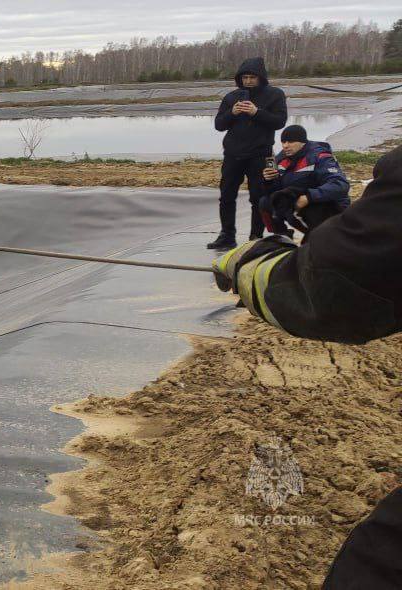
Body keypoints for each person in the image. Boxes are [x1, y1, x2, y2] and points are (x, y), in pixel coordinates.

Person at [213, 145, 402, 589]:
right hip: (315, 227)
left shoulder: (322, 160)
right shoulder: (277, 159)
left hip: (324, 225)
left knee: (375, 568)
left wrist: (253, 266)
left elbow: (340, 285)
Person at [209, 57, 288, 250]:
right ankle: (227, 235)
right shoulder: (231, 97)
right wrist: (232, 113)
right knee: (226, 196)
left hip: (261, 155)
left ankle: (256, 236)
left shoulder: (275, 95)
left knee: (258, 197)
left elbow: (280, 121)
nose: (248, 81)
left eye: (252, 77)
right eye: (245, 77)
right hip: (233, 155)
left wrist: (256, 112)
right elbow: (219, 125)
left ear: (261, 77)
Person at [257, 125, 349, 238]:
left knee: (318, 238)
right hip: (301, 202)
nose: (285, 146)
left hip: (328, 206)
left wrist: (309, 197)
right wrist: (269, 181)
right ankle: (282, 235)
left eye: (290, 142)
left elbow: (340, 185)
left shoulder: (320, 156)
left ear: (302, 142)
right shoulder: (280, 158)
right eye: (283, 142)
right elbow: (276, 191)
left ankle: (318, 236)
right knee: (265, 201)